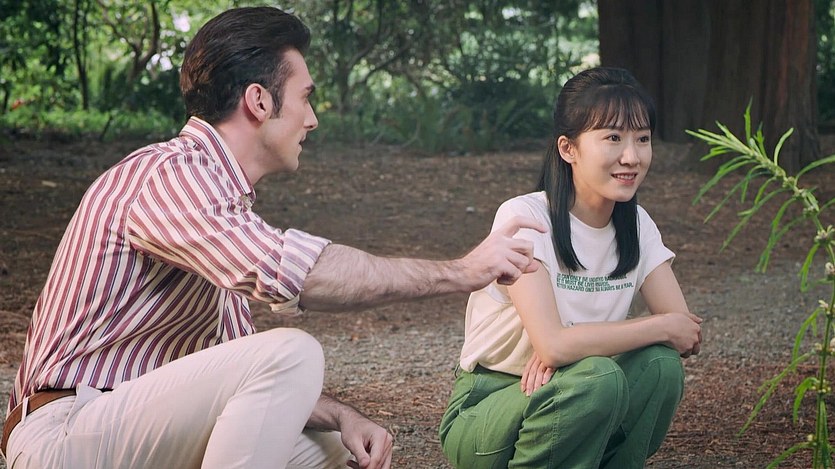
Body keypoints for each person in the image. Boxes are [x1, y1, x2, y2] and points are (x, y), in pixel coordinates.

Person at [2, 7, 547, 469]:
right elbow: (299, 277)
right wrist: (462, 271)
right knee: (291, 351)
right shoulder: (170, 175)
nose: (312, 120)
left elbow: (236, 372)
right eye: (305, 98)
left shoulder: (220, 206)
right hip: (64, 433)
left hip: (127, 427)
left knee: (335, 448)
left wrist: (341, 415)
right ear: (260, 101)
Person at [438, 67, 703, 468]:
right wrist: (570, 348)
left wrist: (573, 347)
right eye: (613, 138)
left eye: (642, 138)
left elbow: (684, 334)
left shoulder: (636, 225)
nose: (631, 157)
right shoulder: (525, 218)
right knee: (597, 377)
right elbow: (554, 345)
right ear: (568, 148)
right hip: (490, 408)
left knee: (660, 367)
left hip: (576, 392)